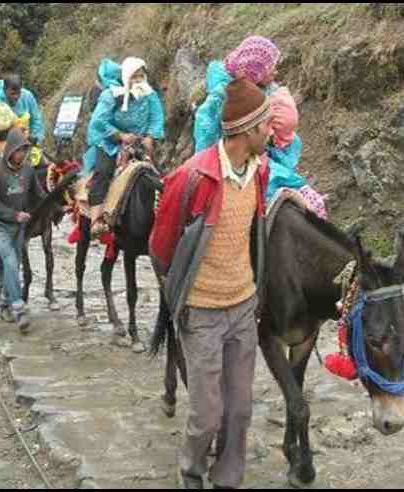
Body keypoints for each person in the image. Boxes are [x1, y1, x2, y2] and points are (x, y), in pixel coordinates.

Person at [149, 78, 272, 490]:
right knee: (207, 413)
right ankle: (191, 470)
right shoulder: (193, 177)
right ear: (247, 130)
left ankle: (228, 477)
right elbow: (161, 248)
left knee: (240, 410)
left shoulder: (260, 170)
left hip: (242, 306)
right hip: (201, 312)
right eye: (266, 125)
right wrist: (180, 298)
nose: (272, 131)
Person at [84, 57, 165, 237]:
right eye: (134, 76)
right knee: (103, 173)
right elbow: (99, 121)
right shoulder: (111, 95)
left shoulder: (149, 94)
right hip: (111, 142)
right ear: (126, 76)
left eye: (141, 76)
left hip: (139, 142)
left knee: (156, 176)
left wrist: (151, 137)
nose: (138, 80)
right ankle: (96, 219)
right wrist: (120, 136)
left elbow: (156, 117)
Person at [193, 35, 281, 153]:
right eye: (271, 67)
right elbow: (205, 134)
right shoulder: (222, 97)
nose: (276, 72)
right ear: (255, 71)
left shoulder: (265, 86)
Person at [0, 127, 35, 332]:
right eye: (19, 150)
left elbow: (38, 194)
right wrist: (14, 215)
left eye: (25, 150)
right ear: (10, 150)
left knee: (13, 266)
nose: (22, 154)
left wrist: (60, 204)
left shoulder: (28, 170)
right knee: (11, 262)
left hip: (19, 227)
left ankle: (4, 302)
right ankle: (18, 309)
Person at [265, 88, 327, 218]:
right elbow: (275, 175)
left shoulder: (292, 142)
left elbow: (287, 168)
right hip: (270, 191)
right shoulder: (259, 147)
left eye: (290, 132)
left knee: (315, 204)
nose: (287, 139)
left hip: (285, 182)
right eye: (282, 135)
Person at [0, 74, 44, 169]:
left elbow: (36, 118)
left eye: (19, 93)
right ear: (5, 90)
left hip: (26, 143)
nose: (16, 96)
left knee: (40, 166)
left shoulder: (27, 96)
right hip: (3, 147)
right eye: (13, 94)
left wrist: (36, 137)